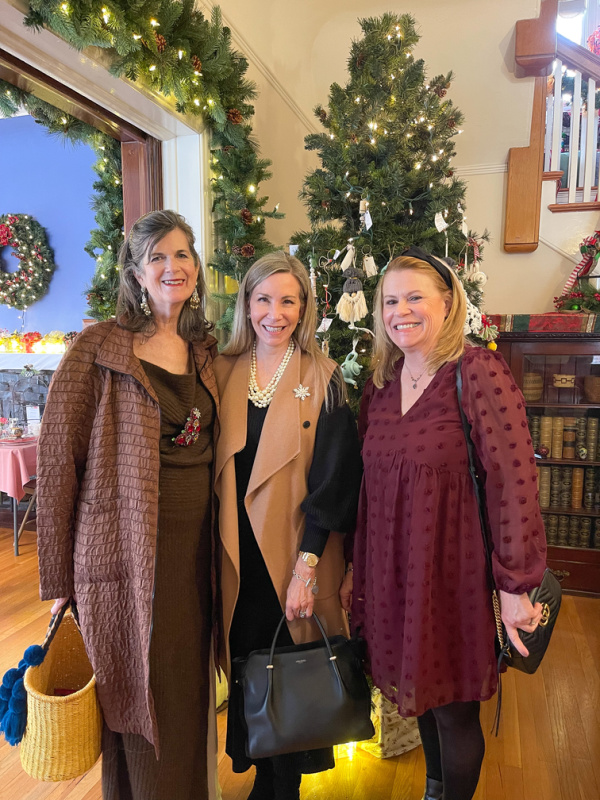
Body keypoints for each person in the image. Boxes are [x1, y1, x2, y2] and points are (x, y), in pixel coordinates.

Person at [340, 247, 547, 800]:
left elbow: (514, 483)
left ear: (448, 301)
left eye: (414, 298)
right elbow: (370, 489)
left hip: (455, 576)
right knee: (422, 698)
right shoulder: (380, 386)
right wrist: (355, 570)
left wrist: (515, 585)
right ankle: (434, 791)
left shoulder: (476, 372)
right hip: (393, 576)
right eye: (389, 301)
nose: (399, 311)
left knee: (454, 713)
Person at [37, 210, 219, 800]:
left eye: (182, 255)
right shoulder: (99, 348)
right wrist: (60, 575)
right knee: (140, 688)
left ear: (197, 267)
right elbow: (58, 459)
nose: (173, 267)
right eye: (157, 257)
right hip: (125, 552)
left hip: (196, 555)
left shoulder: (206, 350)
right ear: (136, 273)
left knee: (185, 691)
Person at [214, 251, 363, 800]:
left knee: (291, 675)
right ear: (246, 304)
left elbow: (334, 485)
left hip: (294, 556)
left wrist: (307, 570)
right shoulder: (224, 370)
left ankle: (282, 790)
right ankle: (261, 780)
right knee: (251, 670)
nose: (274, 313)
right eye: (263, 299)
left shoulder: (324, 380)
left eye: (288, 301)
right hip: (236, 558)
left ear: (304, 309)